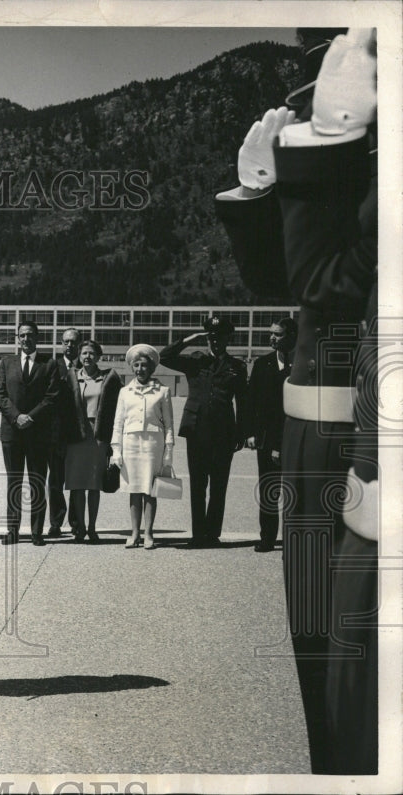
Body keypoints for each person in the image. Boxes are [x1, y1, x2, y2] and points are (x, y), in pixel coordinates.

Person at [213, 28, 378, 774]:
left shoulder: (369, 171)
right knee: (316, 643)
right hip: (313, 423)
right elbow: (280, 281)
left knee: (355, 659)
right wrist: (261, 197)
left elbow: (329, 283)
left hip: (364, 422)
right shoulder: (346, 171)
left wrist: (315, 166)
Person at [159, 316, 248, 548]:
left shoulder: (237, 366)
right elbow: (164, 357)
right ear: (207, 338)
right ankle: (198, 534)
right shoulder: (196, 361)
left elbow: (243, 402)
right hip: (197, 429)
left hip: (224, 432)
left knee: (219, 485)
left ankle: (213, 534)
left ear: (229, 339)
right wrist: (189, 340)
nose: (216, 342)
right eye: (212, 337)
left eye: (221, 338)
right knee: (198, 485)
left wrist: (241, 433)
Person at [0, 320, 60, 546]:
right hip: (12, 433)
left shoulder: (49, 364)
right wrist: (16, 416)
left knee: (36, 482)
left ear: (37, 337)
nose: (25, 339)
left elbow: (51, 397)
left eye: (30, 335)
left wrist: (30, 416)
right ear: (17, 338)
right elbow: (0, 394)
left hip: (38, 433)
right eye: (22, 335)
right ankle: (12, 531)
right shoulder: (6, 362)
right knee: (14, 482)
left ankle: (36, 532)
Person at [110, 345, 174, 550]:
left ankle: (149, 533)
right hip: (130, 444)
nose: (140, 369)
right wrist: (116, 451)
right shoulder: (124, 391)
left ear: (152, 368)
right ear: (131, 367)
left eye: (145, 365)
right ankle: (134, 533)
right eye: (136, 365)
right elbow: (118, 423)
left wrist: (168, 454)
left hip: (153, 445)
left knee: (150, 490)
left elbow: (169, 425)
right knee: (133, 489)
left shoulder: (163, 391)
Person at [245, 318, 296, 552]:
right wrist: (251, 433)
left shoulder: (304, 364)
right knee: (269, 490)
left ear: (292, 336)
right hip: (266, 438)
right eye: (271, 333)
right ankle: (267, 538)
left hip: (295, 438)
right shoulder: (262, 364)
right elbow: (251, 401)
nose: (272, 338)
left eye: (278, 334)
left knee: (296, 490)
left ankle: (295, 537)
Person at [65, 340, 122, 542]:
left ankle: (92, 527)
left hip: (98, 436)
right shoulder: (70, 377)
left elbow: (118, 408)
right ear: (79, 357)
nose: (87, 357)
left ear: (98, 357)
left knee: (94, 484)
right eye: (84, 354)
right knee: (77, 484)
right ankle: (79, 527)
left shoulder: (108, 378)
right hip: (75, 436)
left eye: (91, 353)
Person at [49, 328, 84, 539]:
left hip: (79, 435)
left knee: (76, 481)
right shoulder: (53, 366)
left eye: (74, 342)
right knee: (55, 481)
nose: (69, 345)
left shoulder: (86, 368)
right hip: (55, 435)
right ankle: (55, 522)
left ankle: (76, 521)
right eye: (66, 342)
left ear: (80, 345)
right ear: (61, 344)